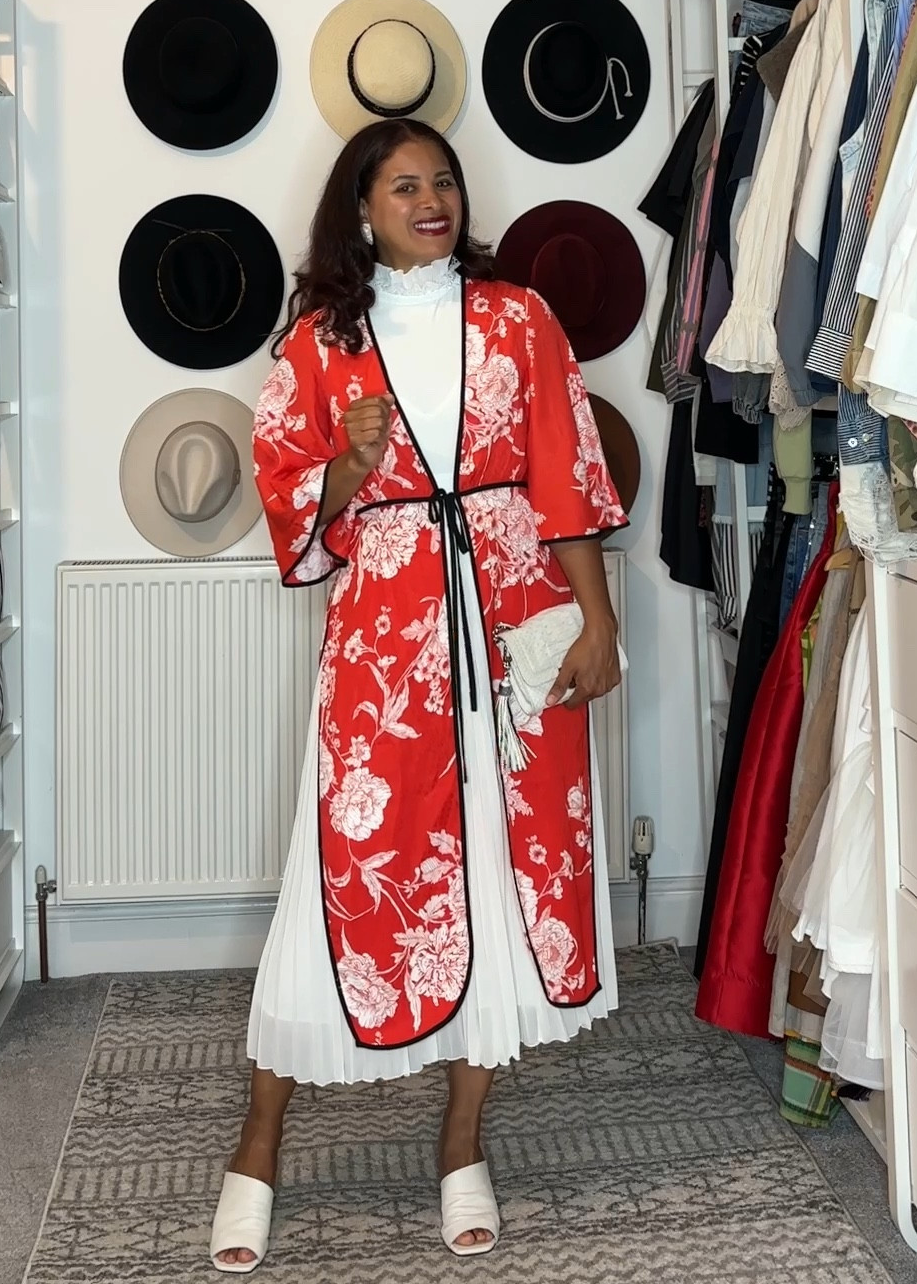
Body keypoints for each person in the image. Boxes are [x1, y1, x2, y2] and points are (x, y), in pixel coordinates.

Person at [211, 117, 626, 1273]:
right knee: (345, 869)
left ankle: (460, 1144)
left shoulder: (518, 317)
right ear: (361, 207)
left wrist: (599, 620)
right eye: (404, 185)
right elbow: (297, 509)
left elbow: (567, 472)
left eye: (444, 180)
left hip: (510, 609)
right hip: (387, 637)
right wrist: (348, 460)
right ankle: (258, 1142)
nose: (431, 199)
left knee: (499, 873)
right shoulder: (318, 342)